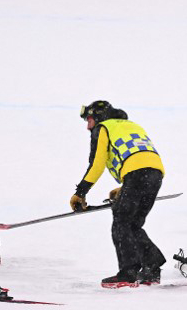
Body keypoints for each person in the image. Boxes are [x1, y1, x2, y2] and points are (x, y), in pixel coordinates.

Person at [70, 101, 166, 288]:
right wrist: (125, 187)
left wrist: (80, 193)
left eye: (88, 120)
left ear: (98, 117)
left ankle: (128, 272)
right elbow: (139, 156)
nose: (87, 126)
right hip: (155, 174)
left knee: (121, 221)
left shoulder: (103, 128)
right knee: (133, 224)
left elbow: (97, 165)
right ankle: (152, 267)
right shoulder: (132, 125)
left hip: (136, 174)